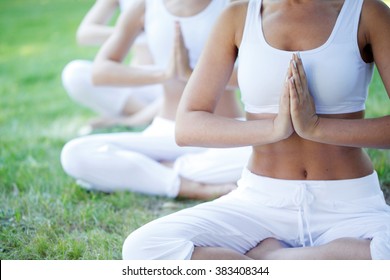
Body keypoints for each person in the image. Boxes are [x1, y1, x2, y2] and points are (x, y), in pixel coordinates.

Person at [122, 0, 390, 260]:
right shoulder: (238, 15)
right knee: (143, 248)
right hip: (260, 203)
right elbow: (189, 125)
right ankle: (318, 261)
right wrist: (274, 129)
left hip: (350, 204)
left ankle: (272, 260)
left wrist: (317, 128)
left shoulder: (367, 12)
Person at [60, 0, 251, 200]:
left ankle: (152, 169)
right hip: (166, 132)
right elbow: (100, 71)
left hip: (225, 132)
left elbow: (261, 75)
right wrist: (164, 74)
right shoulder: (146, 6)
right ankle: (183, 184)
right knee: (75, 154)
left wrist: (192, 73)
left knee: (276, 152)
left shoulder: (236, 6)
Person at [62, 0, 163, 131]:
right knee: (74, 73)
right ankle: (150, 115)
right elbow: (84, 33)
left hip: (170, 80)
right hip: (137, 80)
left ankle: (134, 120)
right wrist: (128, 30)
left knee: (181, 88)